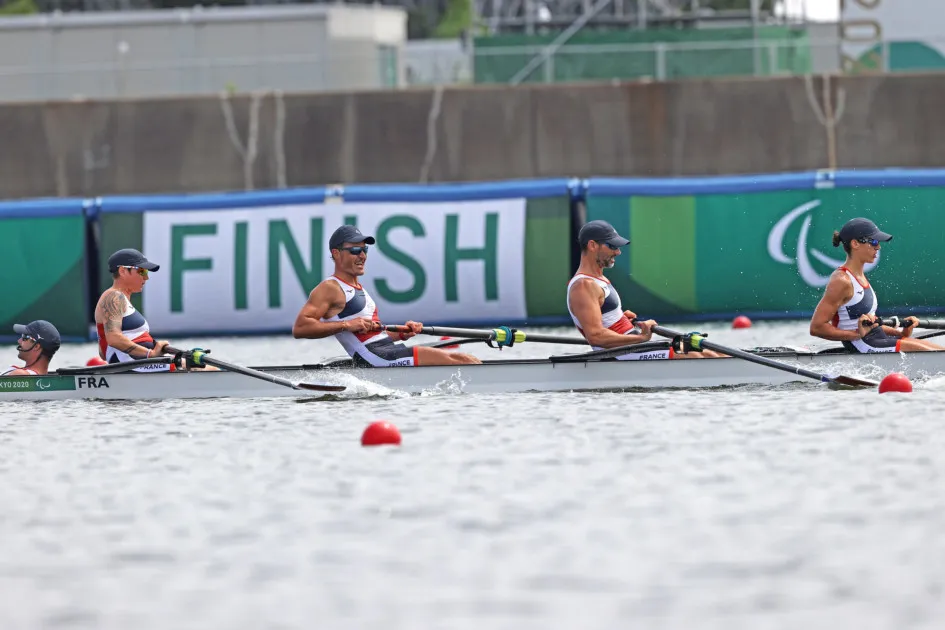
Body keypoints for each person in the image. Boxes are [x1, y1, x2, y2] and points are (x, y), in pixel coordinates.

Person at [293, 225, 482, 367]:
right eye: (355, 250)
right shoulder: (330, 287)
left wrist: (401, 333)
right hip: (375, 358)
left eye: (364, 250)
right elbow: (300, 327)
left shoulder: (358, 287)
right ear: (336, 253)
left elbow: (374, 336)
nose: (362, 256)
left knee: (468, 359)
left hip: (385, 350)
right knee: (463, 361)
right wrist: (346, 325)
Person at [567, 220, 724, 360]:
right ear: (592, 245)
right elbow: (595, 336)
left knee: (708, 349)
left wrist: (619, 319)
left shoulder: (597, 280)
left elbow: (603, 322)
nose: (618, 252)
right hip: (619, 354)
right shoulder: (583, 286)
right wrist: (641, 338)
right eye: (612, 246)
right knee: (700, 355)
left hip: (630, 349)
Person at [810, 217, 943, 352]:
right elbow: (817, 327)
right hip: (863, 345)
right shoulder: (841, 280)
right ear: (855, 244)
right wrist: (856, 334)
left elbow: (872, 326)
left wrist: (902, 333)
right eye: (873, 242)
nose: (878, 247)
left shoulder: (860, 277)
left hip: (877, 340)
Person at [95, 248, 217, 371]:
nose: (146, 277)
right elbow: (113, 338)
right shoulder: (114, 297)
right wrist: (150, 354)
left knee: (204, 367)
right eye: (142, 271)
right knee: (210, 370)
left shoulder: (119, 299)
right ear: (122, 271)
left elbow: (103, 353)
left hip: (136, 363)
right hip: (131, 364)